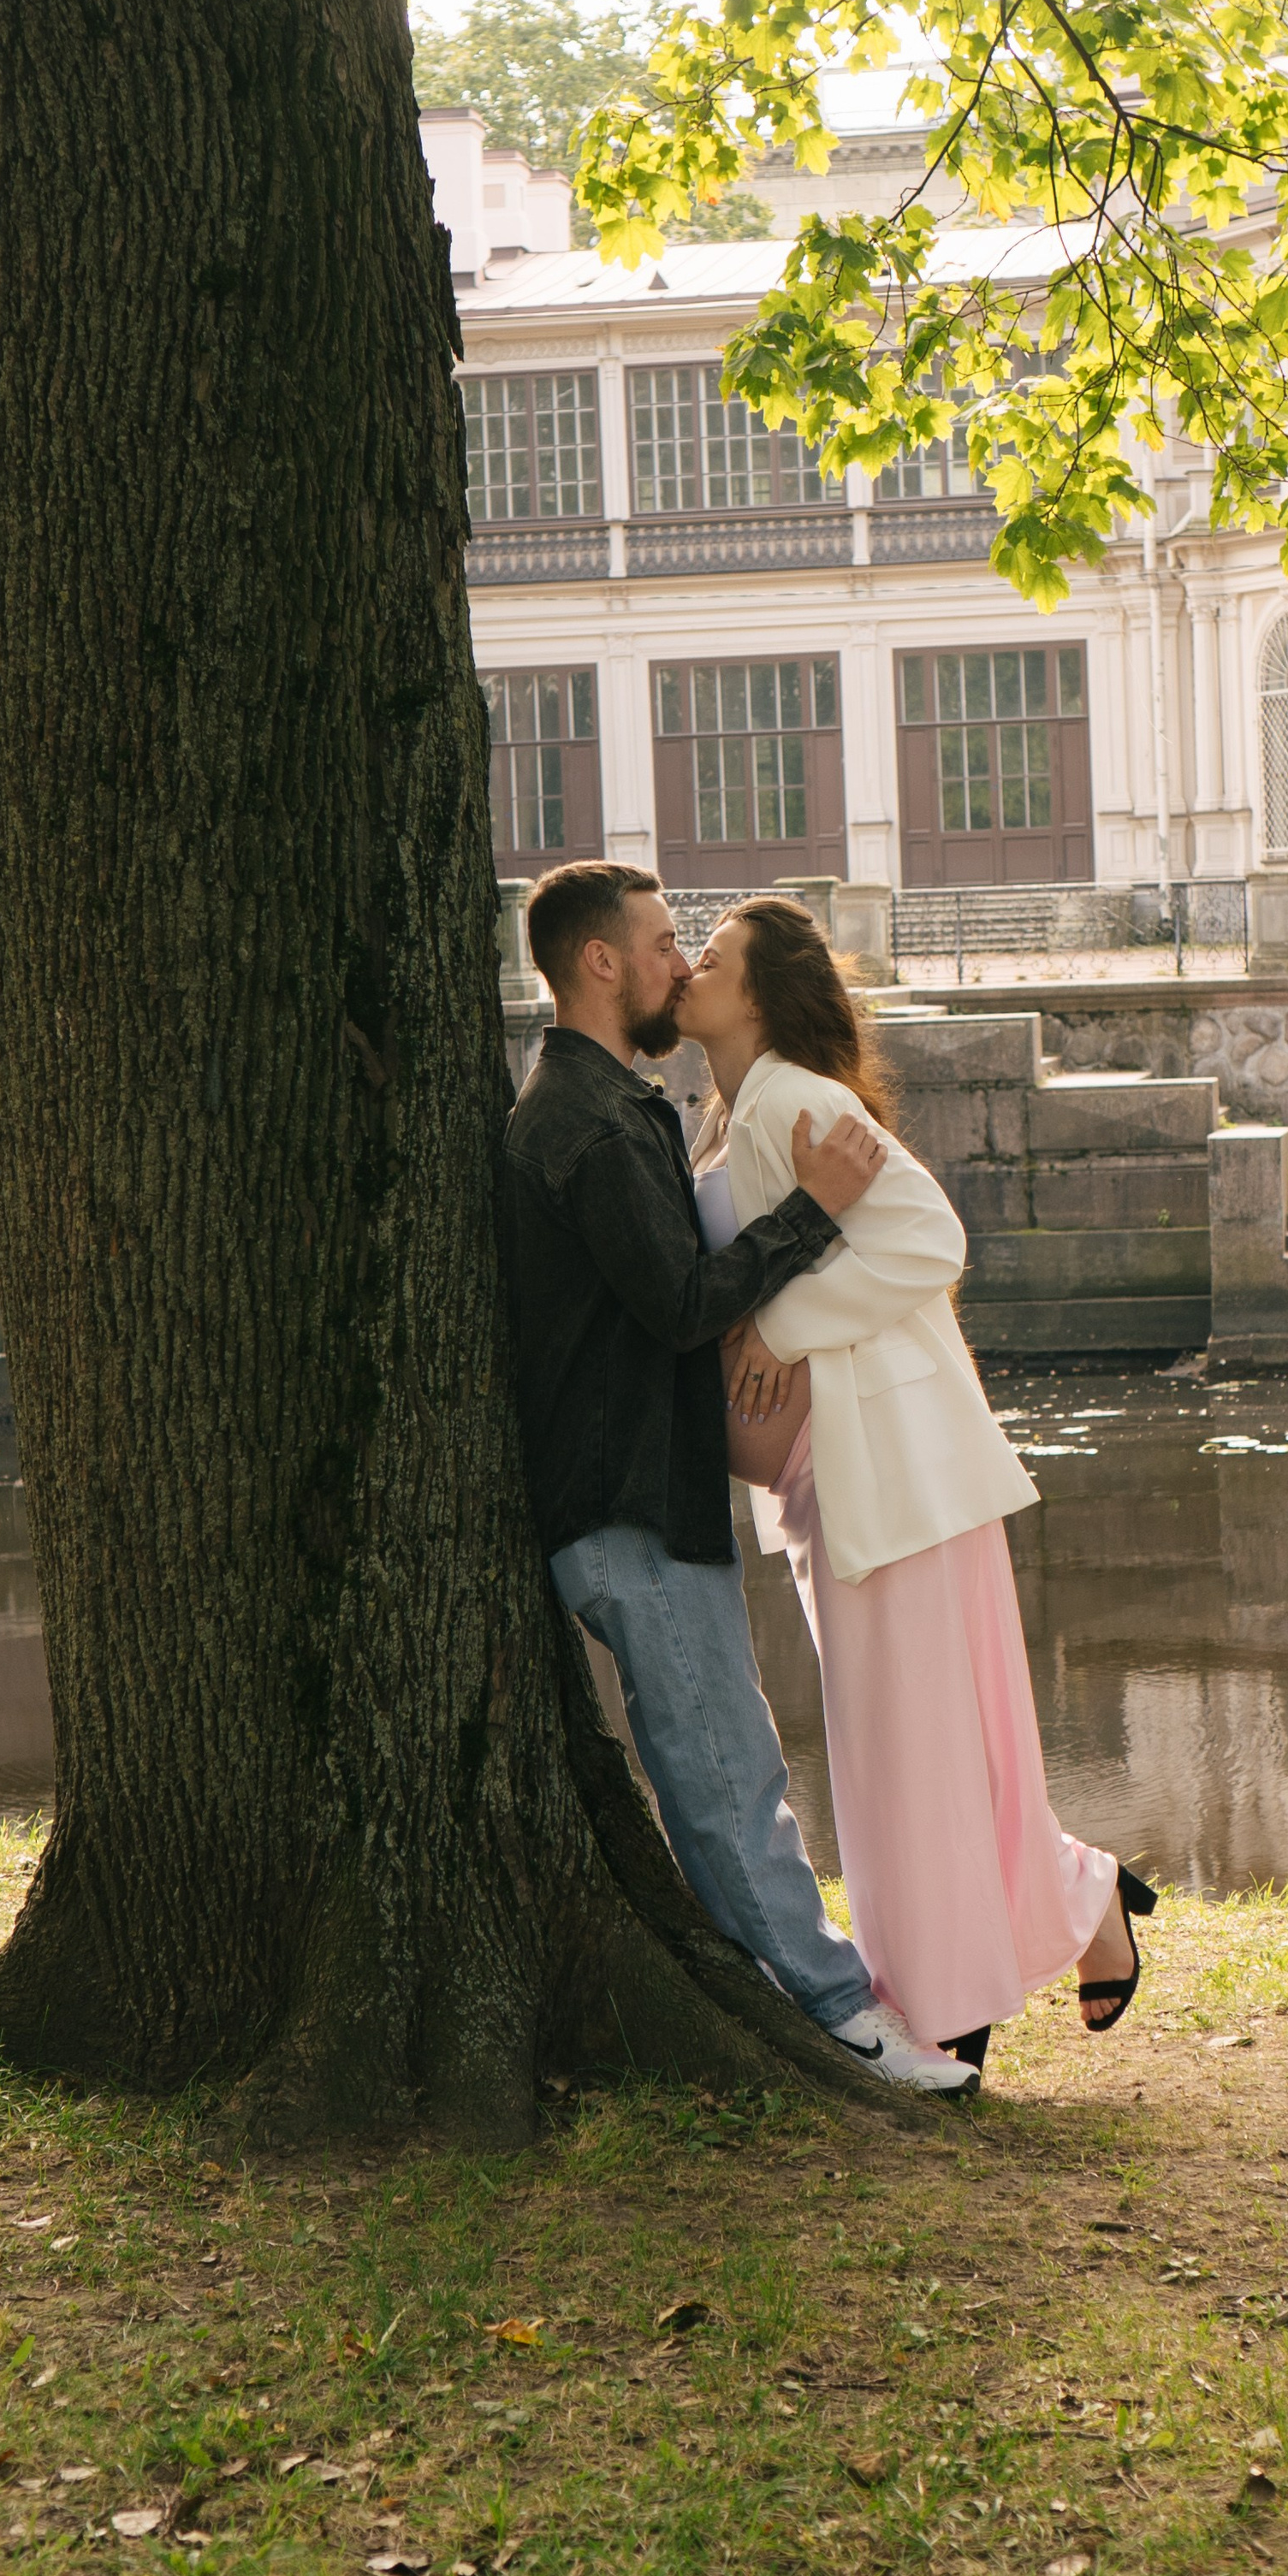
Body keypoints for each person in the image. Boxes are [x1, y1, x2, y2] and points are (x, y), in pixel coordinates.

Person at [501, 861, 976, 2096]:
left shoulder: (611, 1104)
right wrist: (815, 1212)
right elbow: (677, 1303)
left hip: (643, 1493)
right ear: (601, 963)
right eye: (664, 942)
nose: (677, 962)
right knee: (727, 1774)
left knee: (722, 1762)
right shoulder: (589, 1121)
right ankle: (842, 2021)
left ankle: (792, 2000)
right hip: (625, 1500)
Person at [677, 895, 1155, 2074]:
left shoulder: (796, 1097)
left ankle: (942, 2007)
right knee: (915, 1744)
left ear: (764, 994)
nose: (691, 967)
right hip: (833, 1475)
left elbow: (930, 1239)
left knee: (911, 1750)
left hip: (883, 1465)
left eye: (714, 956)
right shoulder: (733, 1111)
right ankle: (1069, 1906)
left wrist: (779, 1331)